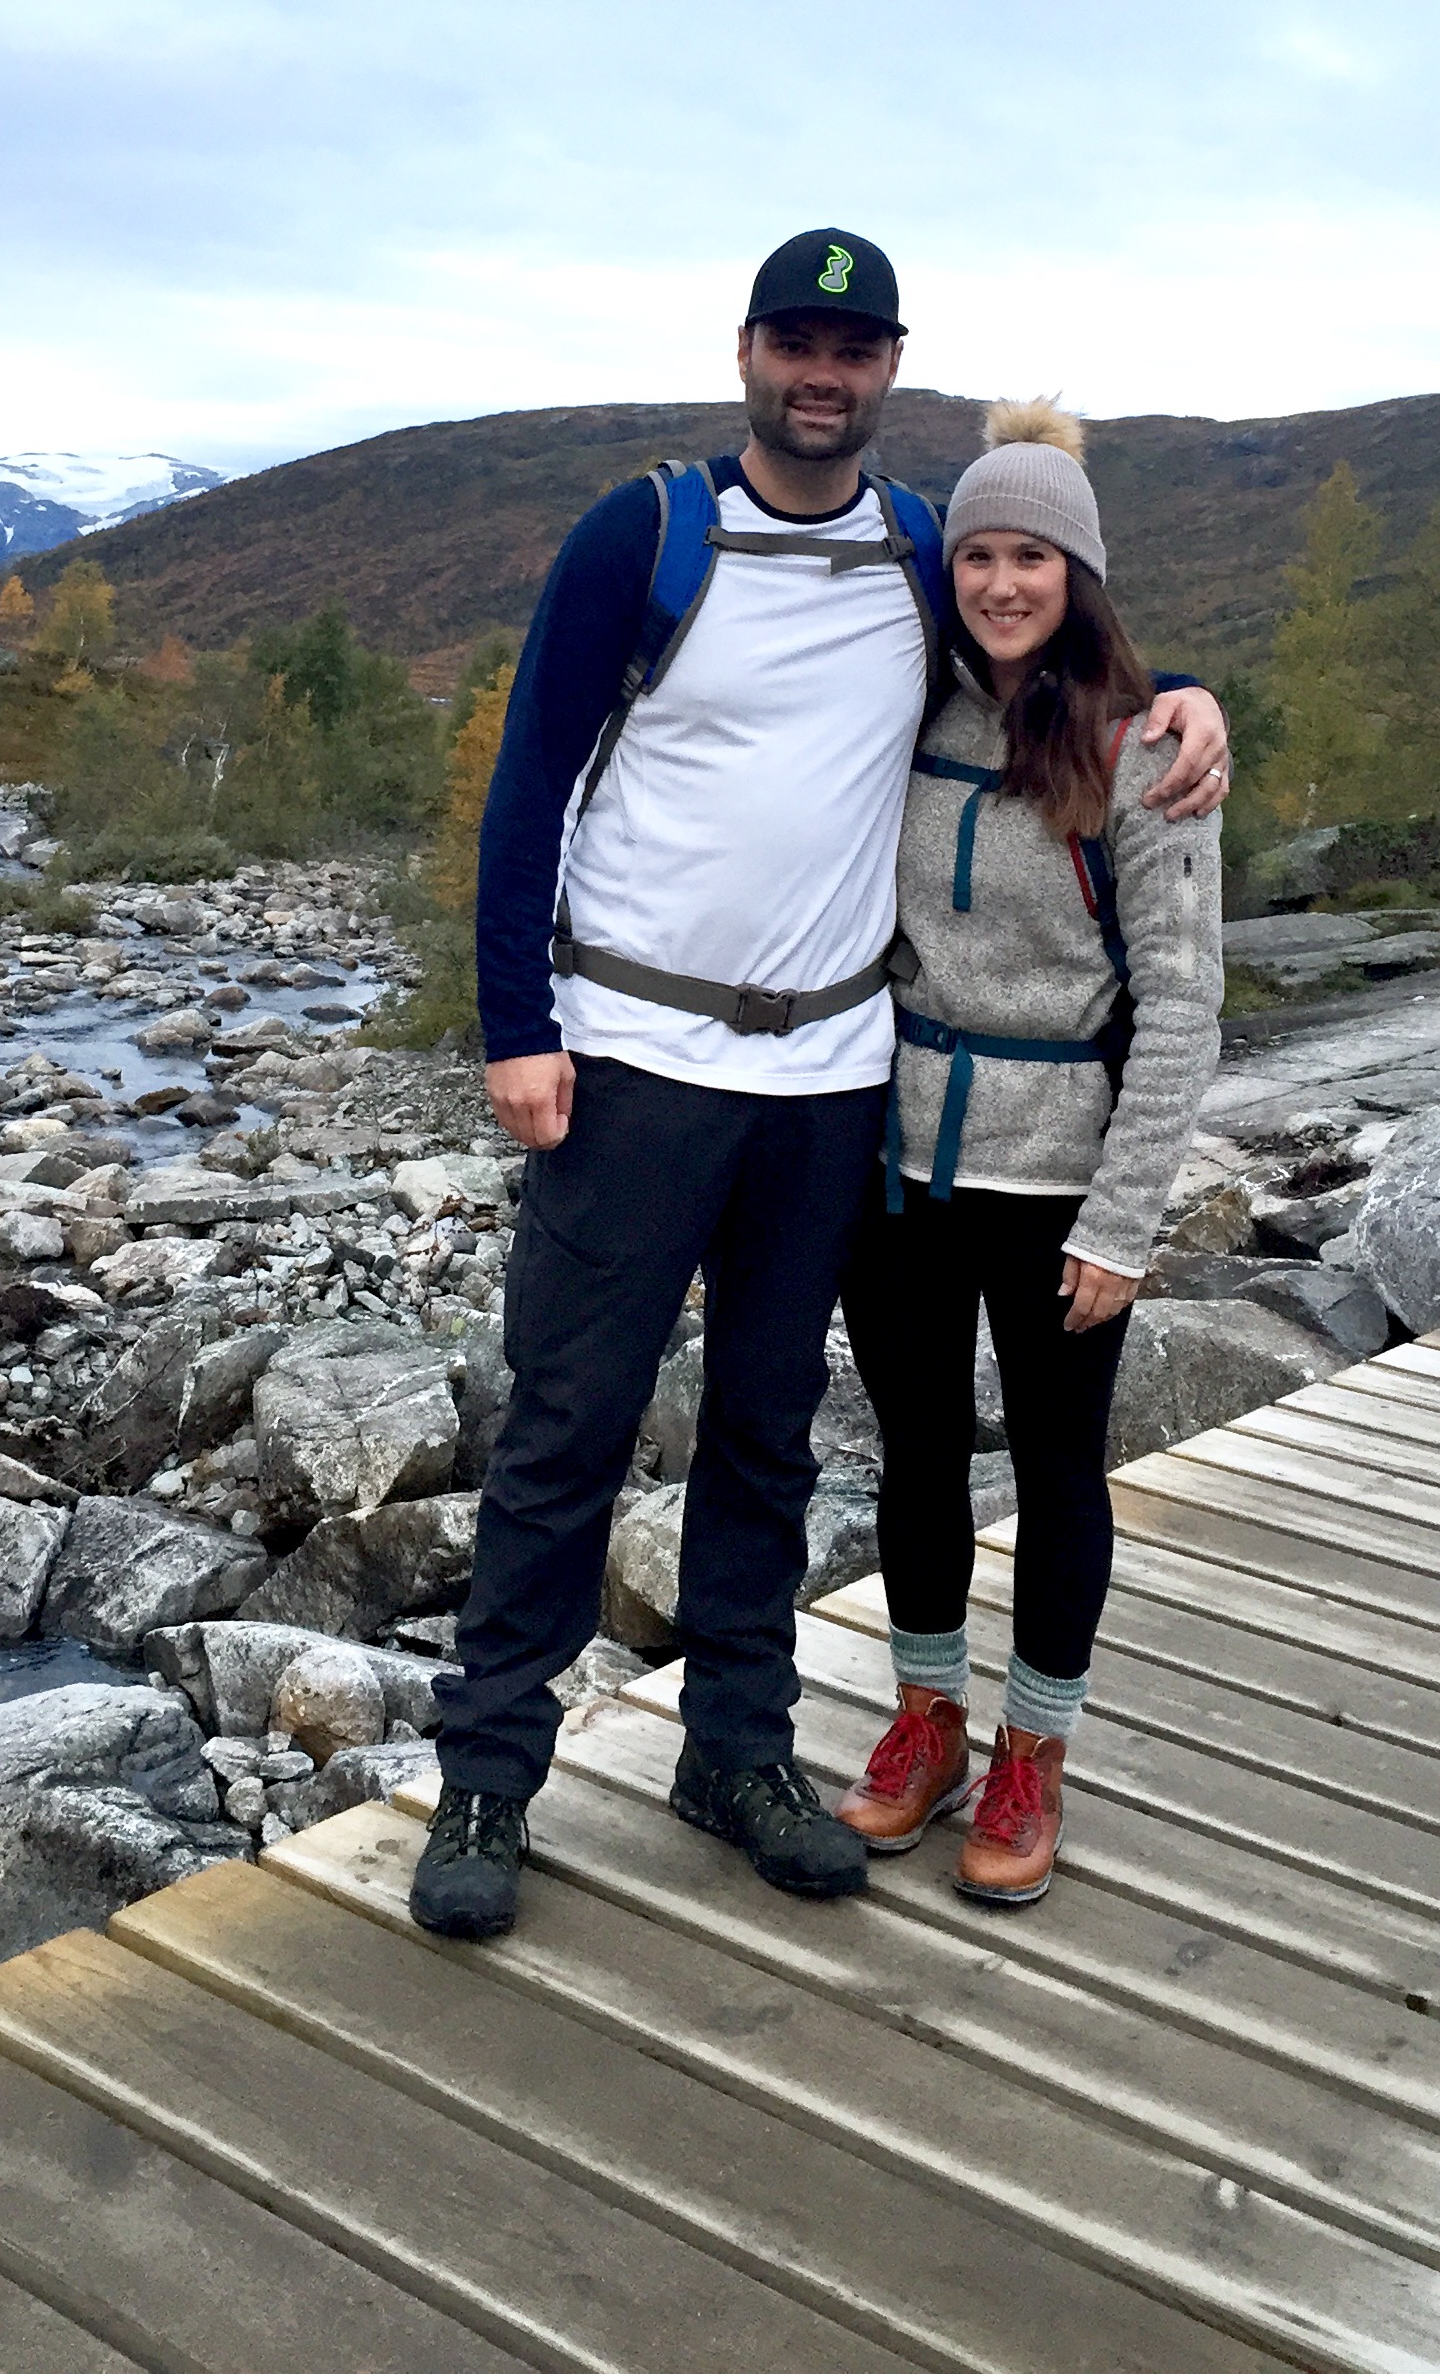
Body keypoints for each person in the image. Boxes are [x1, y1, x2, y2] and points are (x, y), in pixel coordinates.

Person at [408, 239, 1231, 1939]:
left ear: (889, 367)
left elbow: (1053, 640)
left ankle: (735, 1749)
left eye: (854, 349)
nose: (822, 372)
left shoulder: (922, 548)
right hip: (635, 1056)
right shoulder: (644, 537)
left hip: (835, 1076)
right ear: (748, 353)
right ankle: (489, 1776)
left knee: (769, 1436)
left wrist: (1187, 702)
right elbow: (530, 785)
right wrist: (516, 1023)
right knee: (566, 1425)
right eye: (797, 340)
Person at [834, 398, 1225, 1906]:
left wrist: (1123, 1224)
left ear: (1080, 575)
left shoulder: (1147, 754)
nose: (1002, 583)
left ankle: (1033, 1749)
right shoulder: (911, 714)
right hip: (898, 1167)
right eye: (979, 554)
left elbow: (1184, 1004)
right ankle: (927, 1716)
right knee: (917, 1450)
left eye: (1034, 559)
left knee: (1060, 1471)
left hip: (1059, 1175)